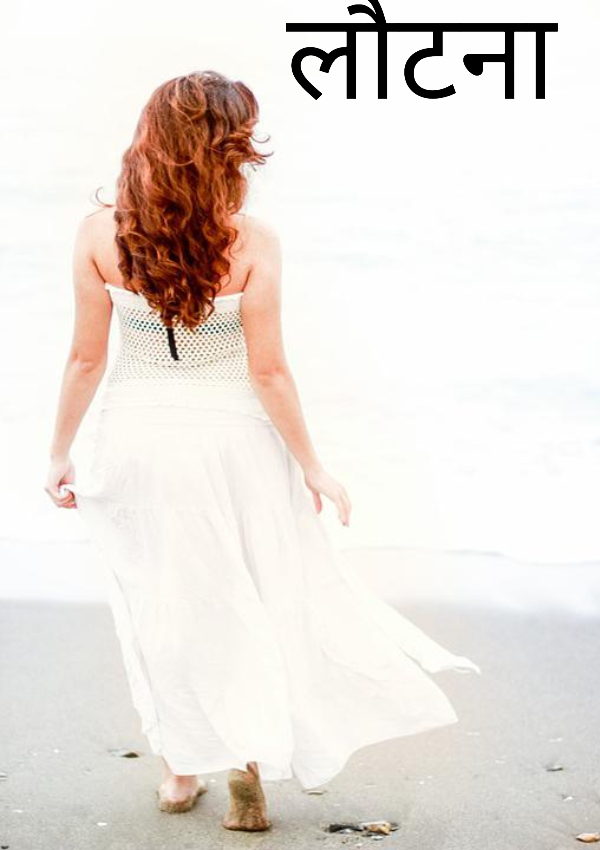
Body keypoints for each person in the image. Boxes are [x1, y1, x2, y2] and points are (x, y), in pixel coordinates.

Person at [45, 70, 479, 832]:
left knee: (164, 605)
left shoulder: (97, 236)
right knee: (242, 596)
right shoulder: (252, 241)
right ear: (227, 152)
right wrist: (313, 465)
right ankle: (245, 762)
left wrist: (58, 452)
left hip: (137, 443)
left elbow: (86, 359)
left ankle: (180, 770)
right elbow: (269, 371)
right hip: (233, 444)